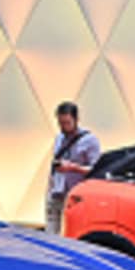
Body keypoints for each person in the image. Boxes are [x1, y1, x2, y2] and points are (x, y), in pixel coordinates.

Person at [45, 101, 101, 235]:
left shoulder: (90, 140)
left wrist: (73, 168)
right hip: (56, 191)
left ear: (76, 120)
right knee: (51, 229)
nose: (63, 127)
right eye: (60, 123)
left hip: (74, 194)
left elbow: (96, 170)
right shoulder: (59, 138)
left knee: (71, 231)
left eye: (67, 123)